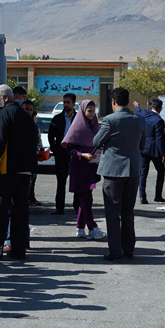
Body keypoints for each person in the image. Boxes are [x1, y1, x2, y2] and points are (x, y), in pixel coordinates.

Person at [0, 86, 39, 261]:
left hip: (7, 171)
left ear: (5, 98)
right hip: (25, 173)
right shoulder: (26, 117)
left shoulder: (5, 114)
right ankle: (19, 250)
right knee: (20, 212)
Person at [92, 87, 145, 262]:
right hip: (133, 171)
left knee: (113, 213)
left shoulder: (110, 120)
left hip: (113, 172)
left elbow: (96, 141)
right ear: (128, 101)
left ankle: (115, 252)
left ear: (113, 102)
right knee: (128, 212)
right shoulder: (139, 120)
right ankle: (128, 250)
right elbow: (142, 145)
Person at [62, 99, 106, 240]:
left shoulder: (94, 126)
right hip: (80, 167)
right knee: (85, 198)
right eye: (89, 111)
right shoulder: (77, 126)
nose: (92, 114)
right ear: (83, 110)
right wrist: (82, 155)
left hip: (91, 168)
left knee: (85, 199)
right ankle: (92, 227)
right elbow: (69, 148)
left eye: (94, 111)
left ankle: (80, 228)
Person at [48, 93, 77, 214]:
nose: (65, 104)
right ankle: (59, 207)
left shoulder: (79, 119)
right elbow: (51, 135)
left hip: (75, 153)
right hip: (61, 153)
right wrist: (55, 149)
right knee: (61, 181)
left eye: (68, 102)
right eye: (64, 102)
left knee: (76, 180)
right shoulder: (57, 118)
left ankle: (78, 207)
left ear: (73, 104)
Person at [138, 98, 165, 205]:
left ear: (151, 107)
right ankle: (158, 195)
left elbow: (138, 111)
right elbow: (160, 138)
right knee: (161, 171)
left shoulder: (143, 114)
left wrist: (137, 106)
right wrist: (163, 153)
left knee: (143, 173)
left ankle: (142, 196)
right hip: (155, 150)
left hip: (143, 148)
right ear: (160, 108)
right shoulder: (158, 120)